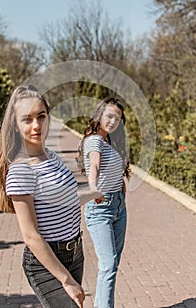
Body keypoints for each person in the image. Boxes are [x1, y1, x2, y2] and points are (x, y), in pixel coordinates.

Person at [0, 85, 92, 308]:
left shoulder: (52, 157)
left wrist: (95, 193)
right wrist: (66, 280)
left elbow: (65, 199)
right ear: (16, 126)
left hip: (74, 252)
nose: (36, 125)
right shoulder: (21, 171)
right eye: (27, 119)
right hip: (45, 261)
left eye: (41, 116)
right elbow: (31, 236)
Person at [76, 97, 130, 308]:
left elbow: (111, 166)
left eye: (117, 118)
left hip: (118, 205)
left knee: (111, 265)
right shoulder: (94, 140)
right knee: (108, 265)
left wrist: (121, 184)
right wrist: (93, 188)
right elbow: (95, 164)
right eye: (109, 116)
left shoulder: (108, 141)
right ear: (99, 115)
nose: (113, 121)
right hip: (100, 207)